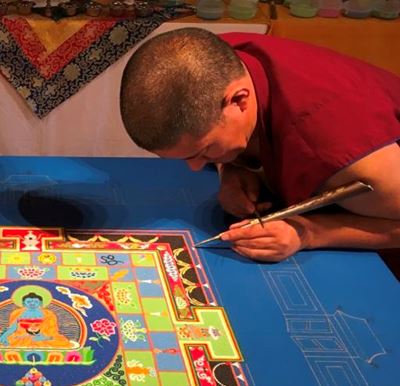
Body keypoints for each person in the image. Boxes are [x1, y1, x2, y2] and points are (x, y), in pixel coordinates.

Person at [119, 28, 400, 263]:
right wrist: (228, 167)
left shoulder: (336, 146)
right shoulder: (214, 61)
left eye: (204, 151)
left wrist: (309, 233)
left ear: (240, 101)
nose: (194, 168)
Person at [0, 292, 72, 348]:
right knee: (5, 341)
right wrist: (4, 335)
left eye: (36, 302)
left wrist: (45, 336)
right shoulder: (17, 313)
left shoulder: (48, 314)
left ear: (41, 303)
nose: (32, 304)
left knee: (62, 341)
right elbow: (13, 327)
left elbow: (53, 329)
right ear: (24, 303)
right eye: (29, 302)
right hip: (21, 337)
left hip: (43, 336)